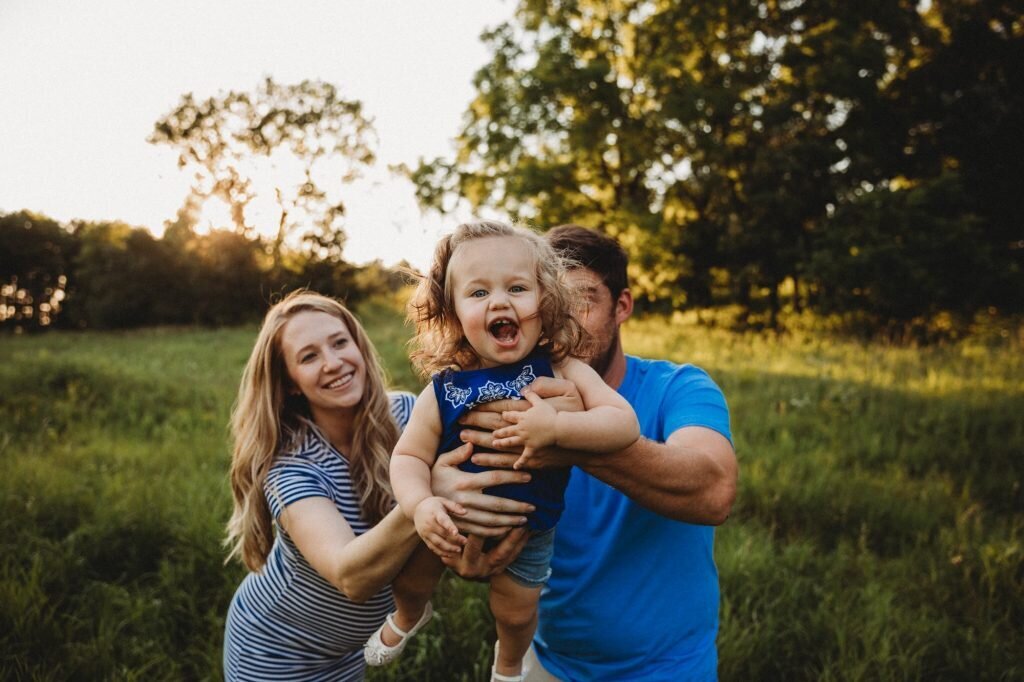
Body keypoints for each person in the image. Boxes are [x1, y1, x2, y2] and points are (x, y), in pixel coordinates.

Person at [434, 225, 738, 681]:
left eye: (581, 299)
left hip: (666, 669)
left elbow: (714, 492)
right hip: (547, 660)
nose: (564, 317)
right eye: (546, 295)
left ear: (622, 307)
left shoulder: (679, 387)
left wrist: (569, 439)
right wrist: (453, 503)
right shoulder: (492, 396)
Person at [367, 220, 640, 682]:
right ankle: (409, 615)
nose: (499, 301)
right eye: (477, 293)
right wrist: (421, 504)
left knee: (514, 611)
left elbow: (624, 424)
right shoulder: (445, 389)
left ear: (546, 301)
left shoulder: (563, 369)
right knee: (410, 580)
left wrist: (558, 426)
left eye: (517, 287)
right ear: (453, 315)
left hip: (529, 527)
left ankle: (509, 663)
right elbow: (409, 457)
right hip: (449, 515)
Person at [221, 290, 521, 680]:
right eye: (309, 357)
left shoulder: (406, 414)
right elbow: (352, 578)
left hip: (349, 650)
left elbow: (467, 492)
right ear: (291, 383)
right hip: (276, 651)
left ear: (359, 347)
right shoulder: (291, 469)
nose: (333, 363)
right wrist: (428, 495)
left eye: (340, 342)